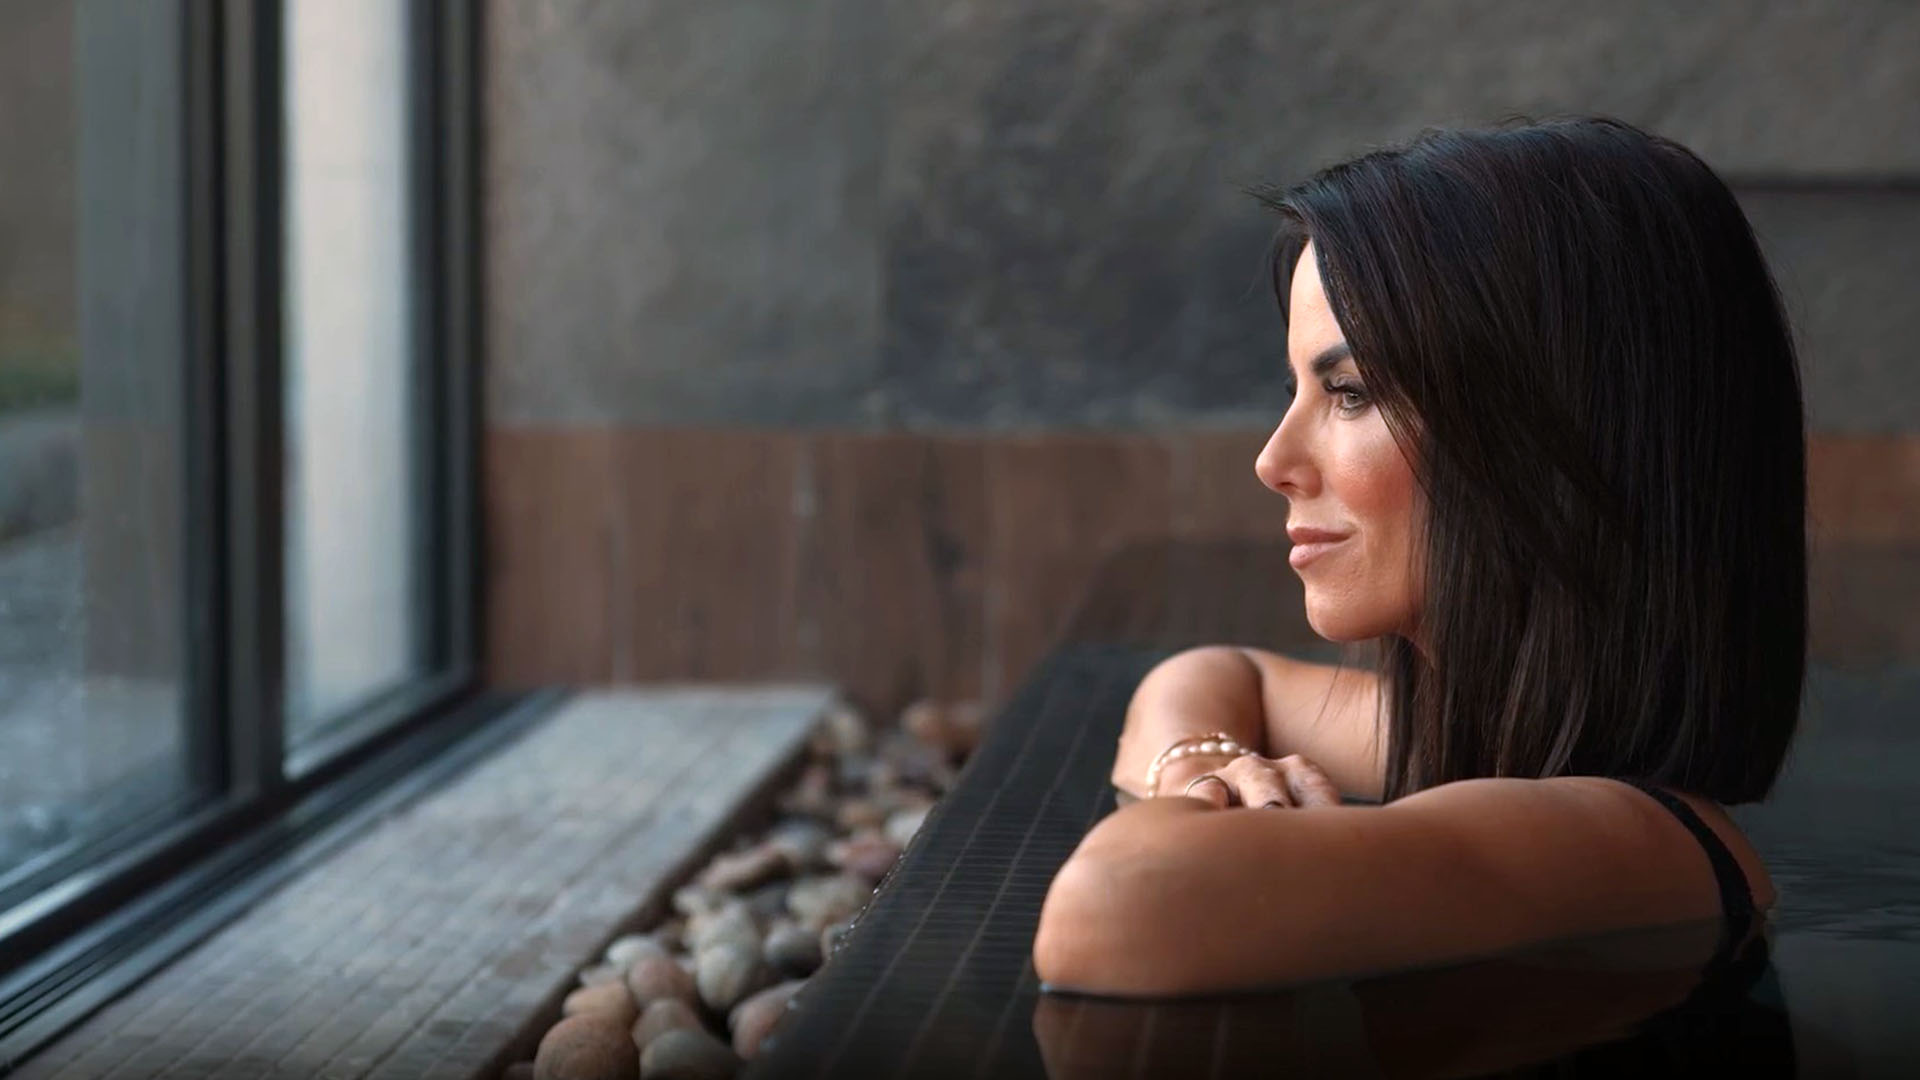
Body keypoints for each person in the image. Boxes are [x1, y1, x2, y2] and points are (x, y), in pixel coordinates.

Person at [1033, 115, 1804, 999]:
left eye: (1351, 393)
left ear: (1543, 439)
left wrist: (1194, 820)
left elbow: (1118, 909)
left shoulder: (1621, 840)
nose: (1273, 462)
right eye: (1297, 393)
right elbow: (1215, 674)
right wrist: (1207, 770)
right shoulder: (1483, 732)